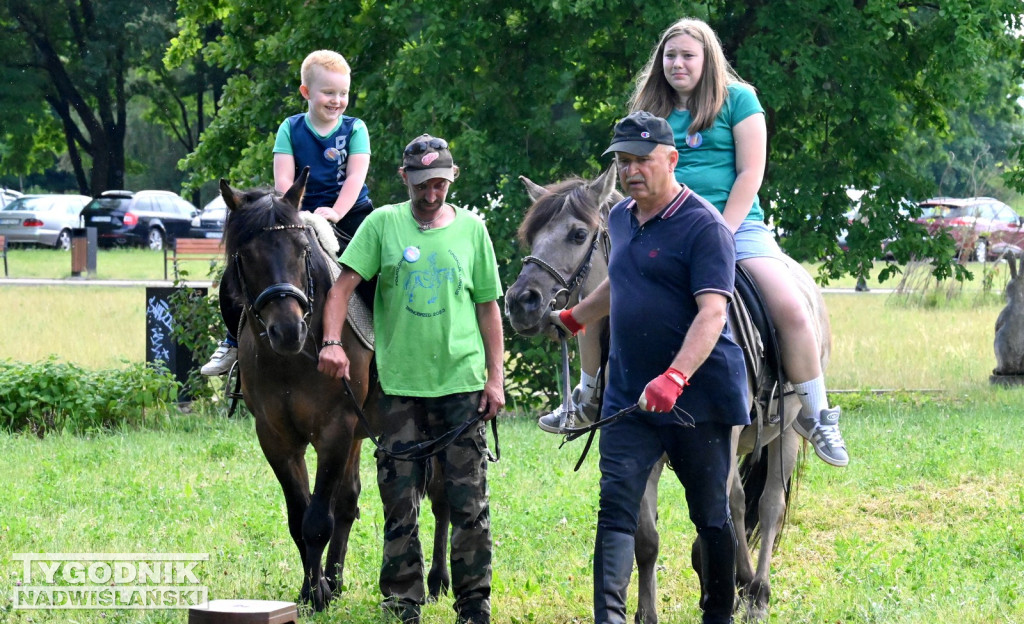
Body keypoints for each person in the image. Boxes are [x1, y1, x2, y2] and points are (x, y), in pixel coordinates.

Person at [546, 18, 849, 469]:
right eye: (670, 56)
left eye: (687, 55)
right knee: (599, 300)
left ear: (708, 59)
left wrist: (720, 233)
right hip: (663, 227)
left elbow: (750, 174)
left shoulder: (739, 100)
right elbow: (631, 168)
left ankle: (817, 414)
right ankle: (588, 396)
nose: (677, 63)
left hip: (737, 227)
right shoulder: (651, 109)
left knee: (789, 307)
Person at [555, 111, 747, 624]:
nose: (631, 170)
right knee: (615, 507)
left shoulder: (705, 226)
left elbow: (713, 312)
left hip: (698, 398)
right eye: (622, 161)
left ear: (671, 159)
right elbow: (622, 281)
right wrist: (576, 317)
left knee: (710, 514)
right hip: (628, 397)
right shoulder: (619, 219)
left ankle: (718, 615)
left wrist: (676, 376)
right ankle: (610, 619)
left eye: (642, 159)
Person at [318, 134, 504, 624]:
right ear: (404, 178)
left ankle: (473, 604)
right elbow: (341, 290)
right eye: (422, 183)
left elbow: (488, 308)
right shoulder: (382, 225)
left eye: (440, 182)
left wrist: (494, 377)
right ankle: (402, 602)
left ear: (452, 178)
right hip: (397, 390)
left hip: (461, 387)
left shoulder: (472, 231)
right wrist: (332, 343)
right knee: (399, 502)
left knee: (469, 503)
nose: (431, 192)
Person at [202, 49, 373, 375]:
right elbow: (284, 181)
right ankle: (233, 342)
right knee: (244, 269)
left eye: (343, 93)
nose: (337, 100)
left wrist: (335, 212)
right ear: (306, 93)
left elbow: (355, 177)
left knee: (376, 271)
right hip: (296, 213)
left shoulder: (355, 129)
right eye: (328, 92)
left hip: (349, 213)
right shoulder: (290, 129)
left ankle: (386, 340)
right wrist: (297, 213)